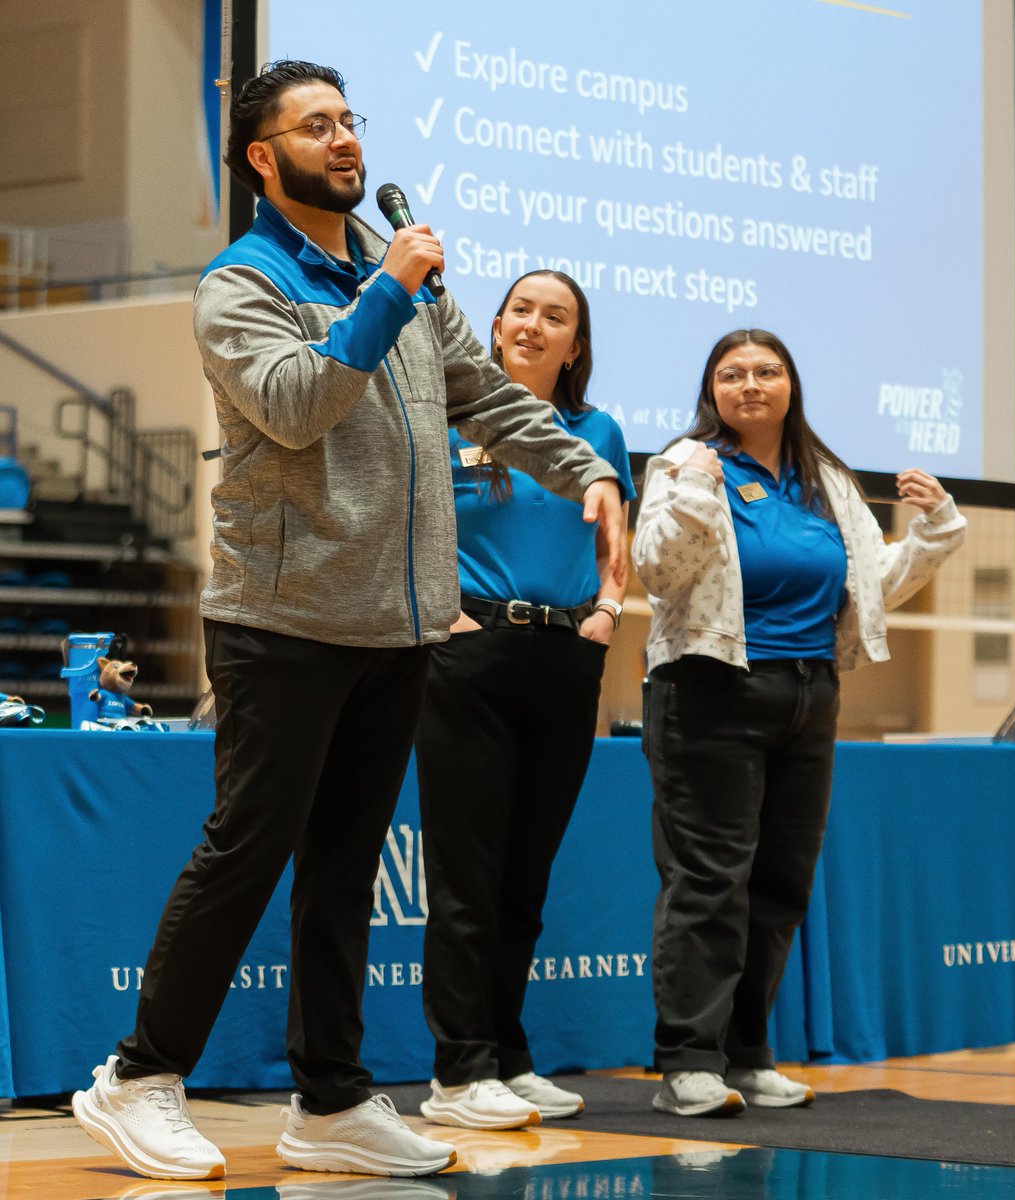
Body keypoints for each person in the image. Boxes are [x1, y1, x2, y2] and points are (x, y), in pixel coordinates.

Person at [70, 61, 626, 1183]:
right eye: (314, 125)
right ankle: (138, 1075)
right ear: (262, 157)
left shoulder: (393, 266)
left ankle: (328, 1099)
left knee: (346, 867)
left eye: (348, 120)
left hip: (396, 621)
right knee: (248, 849)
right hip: (281, 618)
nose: (343, 140)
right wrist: (387, 293)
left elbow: (481, 393)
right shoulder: (243, 283)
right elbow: (294, 406)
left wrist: (585, 468)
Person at [632, 328, 965, 1118]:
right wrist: (696, 492)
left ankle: (747, 1055)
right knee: (709, 880)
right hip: (709, 690)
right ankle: (688, 1063)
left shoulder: (828, 480)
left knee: (780, 883)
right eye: (732, 374)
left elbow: (870, 584)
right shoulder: (684, 463)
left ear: (790, 386)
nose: (750, 384)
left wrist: (935, 530)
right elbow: (657, 571)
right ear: (711, 390)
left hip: (811, 694)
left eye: (766, 371)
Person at [414, 271, 635, 1131]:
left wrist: (607, 615)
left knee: (524, 878)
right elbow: (410, 523)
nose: (534, 325)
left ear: (576, 346)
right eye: (521, 310)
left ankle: (507, 1055)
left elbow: (616, 542)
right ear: (496, 325)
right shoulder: (449, 417)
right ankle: (459, 1070)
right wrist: (447, 616)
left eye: (556, 317)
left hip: (566, 659)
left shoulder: (598, 432)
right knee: (467, 876)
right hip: (471, 655)